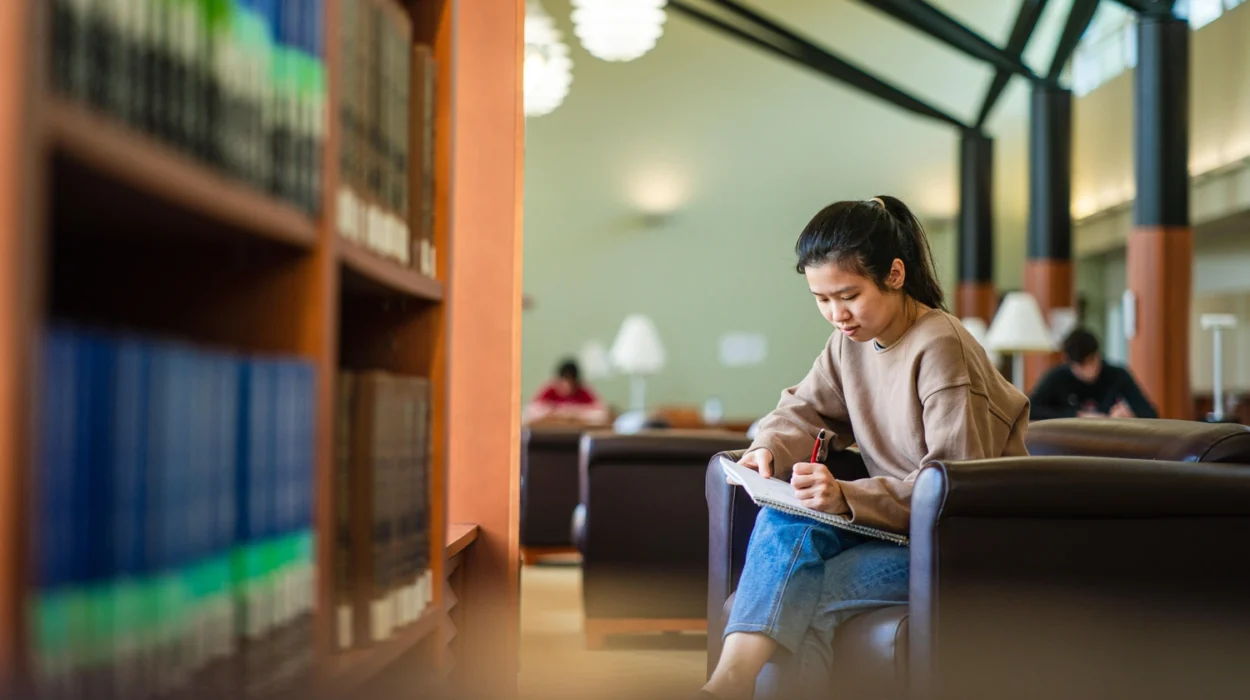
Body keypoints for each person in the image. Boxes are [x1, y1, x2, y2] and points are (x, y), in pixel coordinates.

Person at [698, 196, 1030, 700]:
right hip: (897, 527)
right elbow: (802, 409)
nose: (837, 314)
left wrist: (848, 498)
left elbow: (958, 489)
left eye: (848, 295)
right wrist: (768, 447)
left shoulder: (941, 346)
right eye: (821, 299)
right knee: (786, 517)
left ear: (895, 274)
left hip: (956, 542)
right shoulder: (848, 343)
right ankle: (729, 681)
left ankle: (730, 684)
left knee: (806, 594)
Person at [1028, 328, 1157, 420]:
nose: (1088, 370)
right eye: (1081, 366)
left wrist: (1130, 415)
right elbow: (1030, 410)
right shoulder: (1058, 377)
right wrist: (1076, 415)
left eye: (1091, 362)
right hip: (1067, 446)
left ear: (1097, 355)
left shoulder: (1117, 375)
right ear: (1070, 363)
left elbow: (1150, 414)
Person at [523, 358, 609, 425]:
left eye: (571, 383)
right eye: (563, 382)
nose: (567, 387)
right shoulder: (549, 388)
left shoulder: (583, 390)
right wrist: (554, 411)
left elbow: (602, 413)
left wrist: (576, 412)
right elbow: (530, 411)